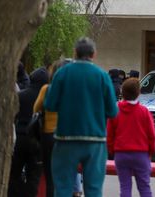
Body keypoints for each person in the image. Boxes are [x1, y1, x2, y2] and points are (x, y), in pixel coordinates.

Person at [44, 37, 118, 197]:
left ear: (75, 53)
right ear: (94, 54)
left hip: (65, 140)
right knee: (93, 190)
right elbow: (113, 111)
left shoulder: (62, 74)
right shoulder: (102, 76)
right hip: (95, 141)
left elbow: (49, 105)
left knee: (63, 188)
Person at [107, 78, 155, 197]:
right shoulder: (144, 112)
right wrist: (150, 152)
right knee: (144, 187)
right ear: (138, 93)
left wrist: (113, 150)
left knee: (125, 187)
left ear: (122, 93)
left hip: (121, 154)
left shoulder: (115, 110)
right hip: (141, 154)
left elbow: (109, 134)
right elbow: (152, 135)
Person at [33, 59, 72, 197]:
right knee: (66, 177)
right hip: (69, 137)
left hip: (49, 136)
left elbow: (36, 108)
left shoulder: (47, 89)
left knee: (50, 178)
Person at [8, 67, 49, 197]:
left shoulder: (21, 95)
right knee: (34, 175)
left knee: (14, 173)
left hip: (20, 137)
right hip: (38, 139)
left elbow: (13, 117)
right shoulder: (47, 97)